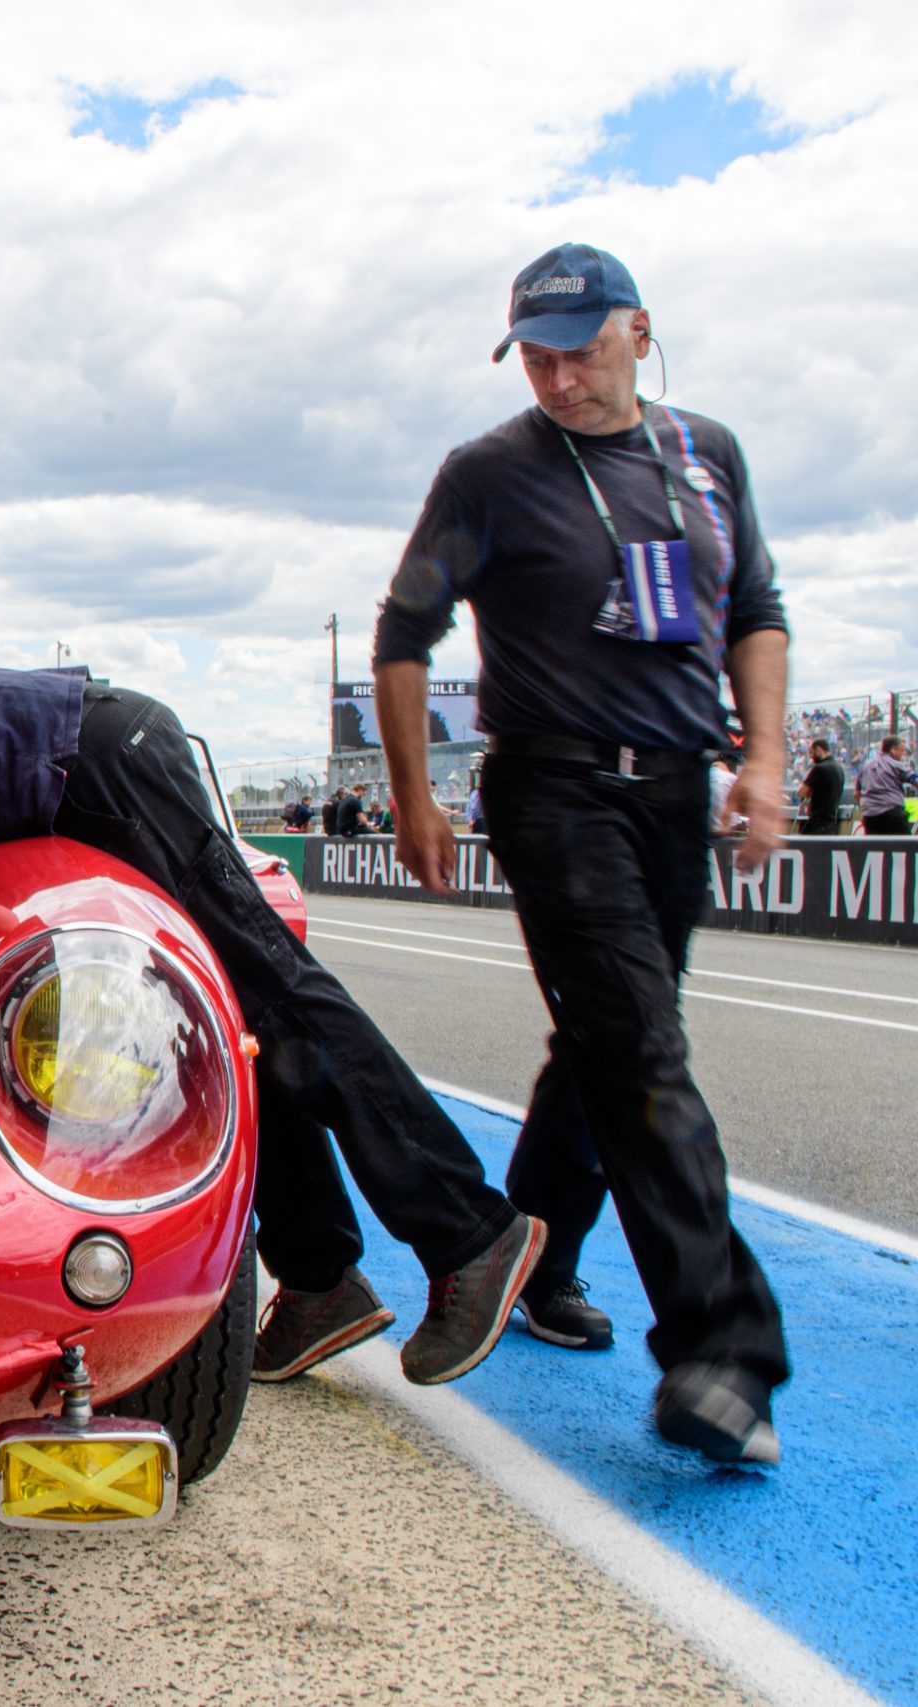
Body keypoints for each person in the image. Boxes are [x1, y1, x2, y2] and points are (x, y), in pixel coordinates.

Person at [377, 242, 789, 1464]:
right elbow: (404, 634)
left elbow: (756, 611)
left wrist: (761, 759)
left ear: (639, 332)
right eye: (535, 358)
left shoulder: (705, 454)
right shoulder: (489, 473)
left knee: (609, 1045)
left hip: (672, 794)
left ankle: (532, 1258)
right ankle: (722, 1354)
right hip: (551, 788)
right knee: (643, 1049)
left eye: (578, 352)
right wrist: (415, 798)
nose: (556, 380)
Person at [0, 664, 545, 1388]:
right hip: (91, 768)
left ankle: (470, 1231)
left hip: (100, 763)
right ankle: (318, 1278)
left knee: (278, 991)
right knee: (237, 1023)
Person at [855, 737, 912, 837]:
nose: (903, 753)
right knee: (905, 848)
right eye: (901, 750)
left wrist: (864, 811)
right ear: (893, 750)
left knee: (876, 849)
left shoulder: (866, 765)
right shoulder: (897, 765)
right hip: (892, 813)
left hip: (870, 816)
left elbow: (856, 793)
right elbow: (914, 780)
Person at [798, 738, 845, 835]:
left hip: (816, 824)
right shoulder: (839, 768)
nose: (810, 757)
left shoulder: (819, 768)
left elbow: (801, 792)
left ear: (818, 750)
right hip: (831, 825)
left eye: (811, 752)